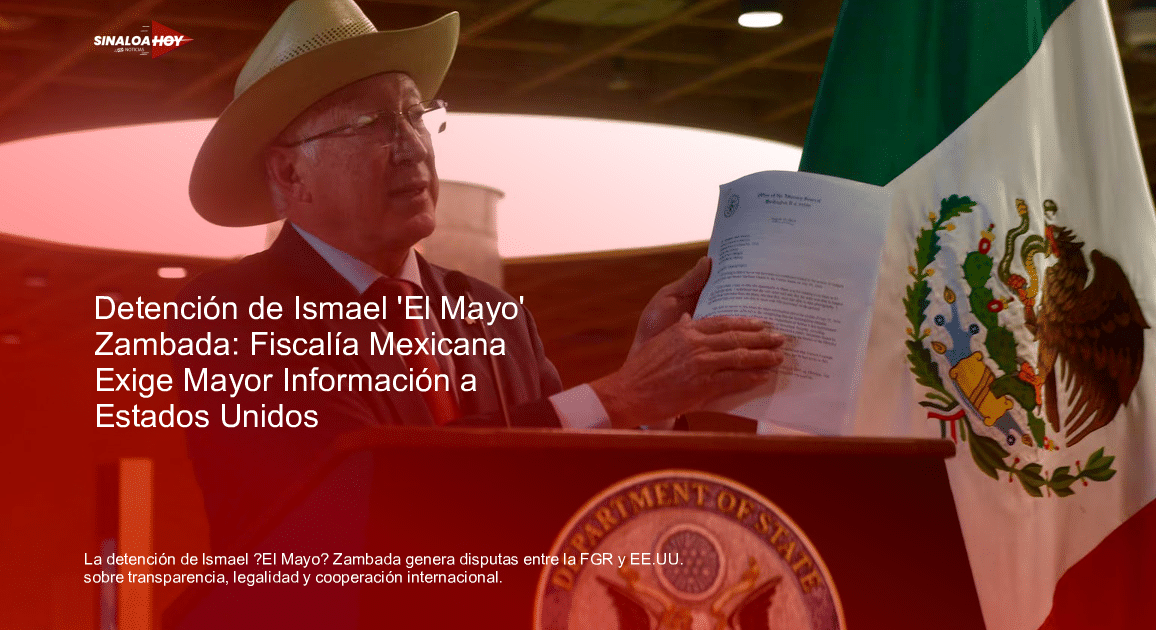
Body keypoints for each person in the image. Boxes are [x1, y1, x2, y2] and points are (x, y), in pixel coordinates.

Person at [173, 0, 784, 555]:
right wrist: (619, 397)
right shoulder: (224, 313)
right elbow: (357, 497)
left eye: (416, 115)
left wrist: (652, 406)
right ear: (289, 173)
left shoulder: (493, 313)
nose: (412, 146)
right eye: (370, 125)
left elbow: (572, 505)